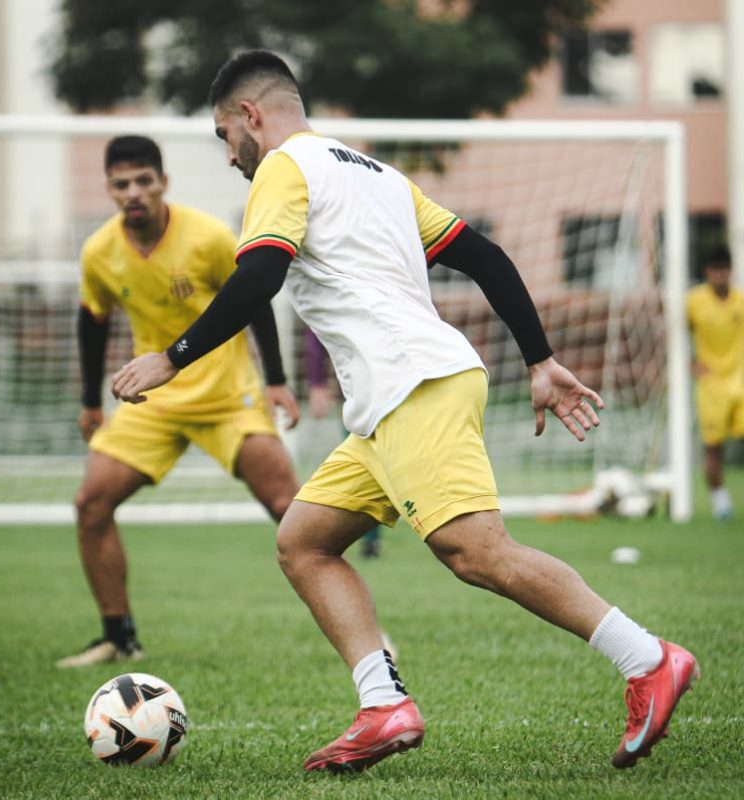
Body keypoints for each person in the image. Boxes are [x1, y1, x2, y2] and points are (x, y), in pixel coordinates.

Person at [110, 52, 699, 772]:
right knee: (304, 541)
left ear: (249, 116)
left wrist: (171, 358)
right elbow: (484, 256)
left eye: (223, 135)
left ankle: (648, 660)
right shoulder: (376, 175)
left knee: (477, 553)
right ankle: (383, 704)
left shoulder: (283, 168)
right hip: (391, 402)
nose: (228, 152)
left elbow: (258, 273)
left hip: (413, 386)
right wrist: (539, 360)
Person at [57, 135, 300, 668]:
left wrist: (276, 378)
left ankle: (369, 638)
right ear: (109, 190)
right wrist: (90, 401)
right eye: (122, 184)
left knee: (293, 511)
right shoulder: (100, 252)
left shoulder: (207, 236)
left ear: (163, 183)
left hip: (226, 396)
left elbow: (253, 297)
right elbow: (92, 319)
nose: (134, 192)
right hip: (153, 402)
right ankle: (117, 637)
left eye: (144, 180)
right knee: (90, 504)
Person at [304, 328, 383, 558]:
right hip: (356, 395)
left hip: (405, 388)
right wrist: (317, 384)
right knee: (365, 464)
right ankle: (368, 540)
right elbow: (315, 333)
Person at [686, 244, 744, 520]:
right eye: (714, 270)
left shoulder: (741, 301)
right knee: (714, 447)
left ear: (730, 271)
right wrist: (689, 361)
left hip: (740, 379)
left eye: (724, 270)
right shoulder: (694, 301)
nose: (719, 276)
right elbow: (678, 332)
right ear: (707, 272)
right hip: (711, 384)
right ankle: (721, 503)